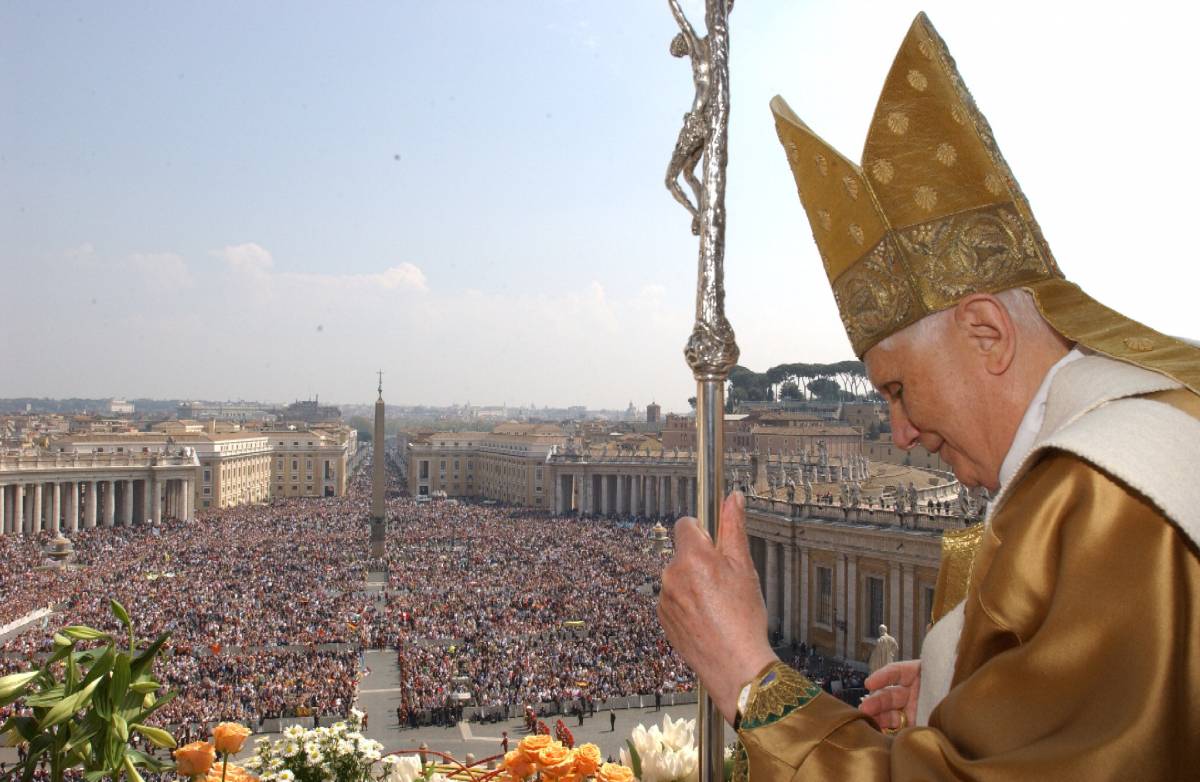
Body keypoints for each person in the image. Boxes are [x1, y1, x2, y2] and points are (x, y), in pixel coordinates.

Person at [658, 12, 1200, 780]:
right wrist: (965, 693)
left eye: (899, 389)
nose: (900, 431)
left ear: (987, 333)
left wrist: (748, 675)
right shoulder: (1136, 451)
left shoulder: (1105, 497)